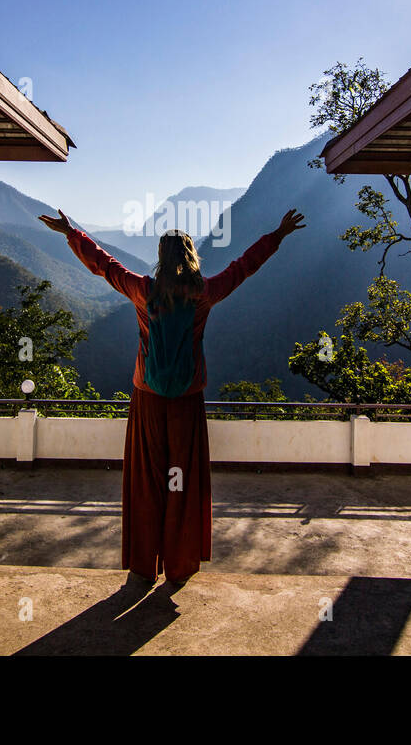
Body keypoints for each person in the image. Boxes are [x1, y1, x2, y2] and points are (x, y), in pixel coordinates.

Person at [38, 207, 306, 585]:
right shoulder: (204, 294)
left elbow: (104, 265)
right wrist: (277, 235)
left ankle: (144, 565)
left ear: (161, 259)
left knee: (147, 481)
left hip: (147, 397)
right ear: (191, 255)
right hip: (187, 400)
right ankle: (179, 566)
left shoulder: (142, 290)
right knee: (180, 480)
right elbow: (244, 267)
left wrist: (71, 233)